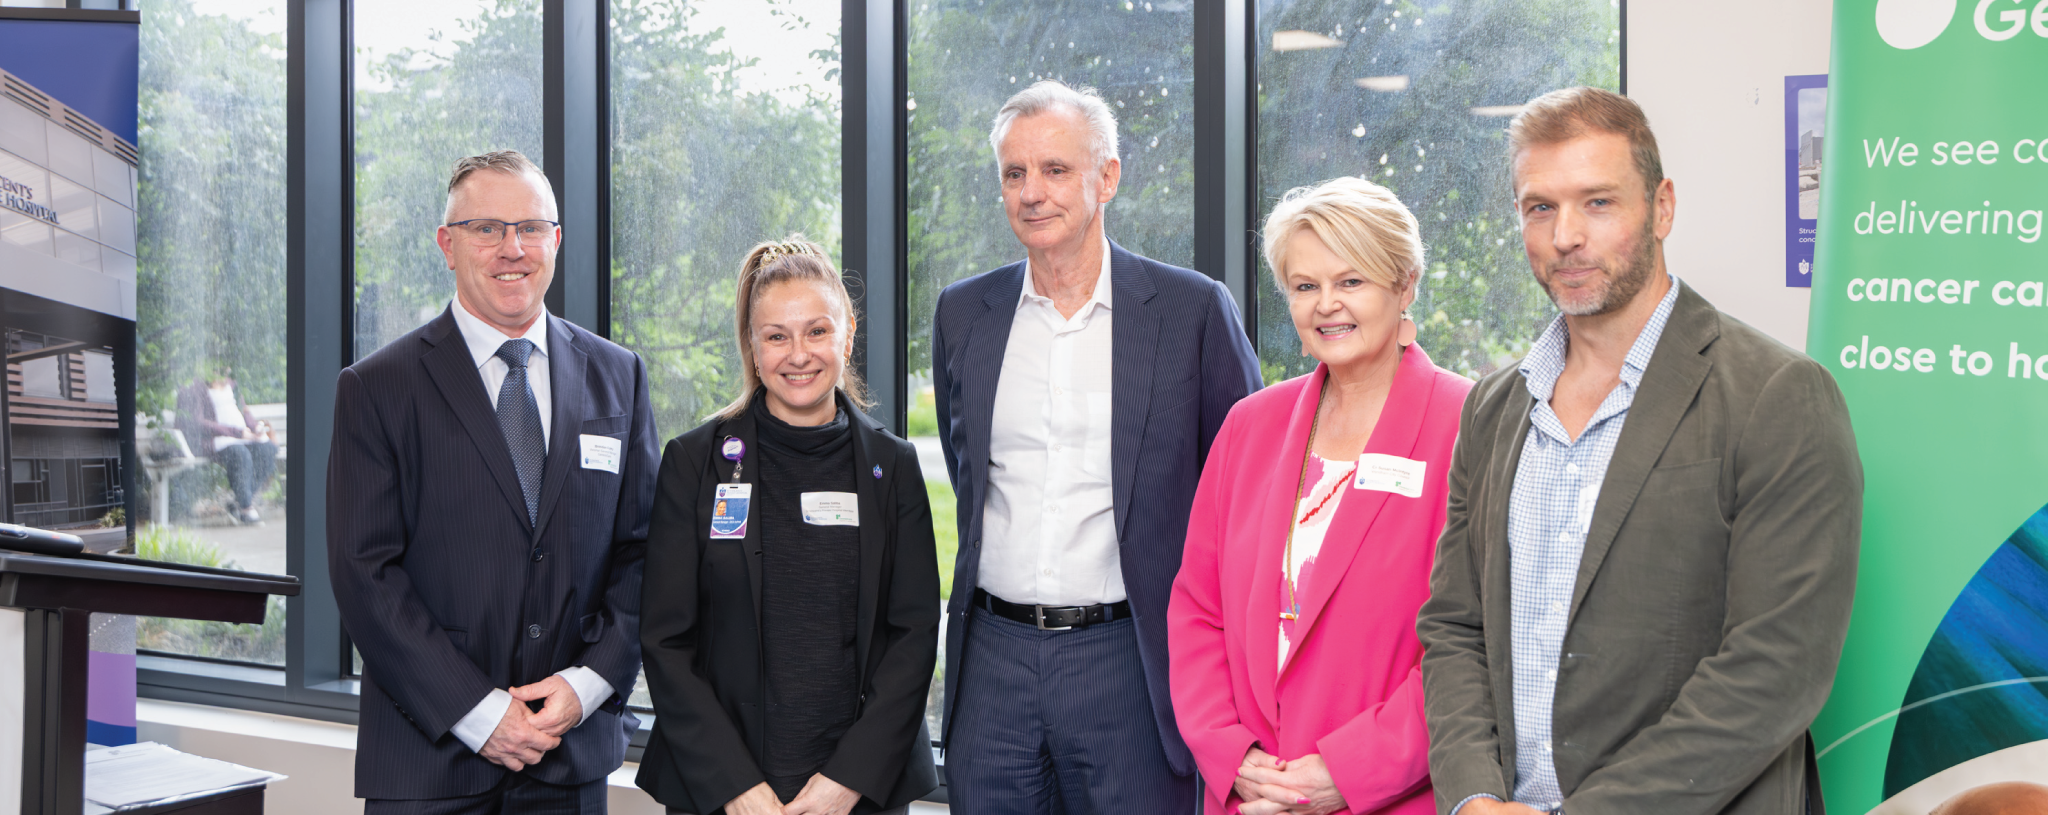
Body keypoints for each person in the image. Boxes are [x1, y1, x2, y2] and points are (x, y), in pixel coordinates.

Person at [1417, 87, 1862, 814]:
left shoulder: (1778, 394)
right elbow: (1456, 626)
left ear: (1662, 208)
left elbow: (1776, 668)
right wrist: (1473, 797)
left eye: (1598, 202)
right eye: (1540, 207)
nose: (1565, 236)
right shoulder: (1493, 407)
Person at [931, 79, 1263, 814]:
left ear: (1106, 177)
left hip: (1132, 660)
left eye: (1055, 169)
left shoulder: (1191, 311)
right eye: (1014, 174)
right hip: (992, 665)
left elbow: (1247, 493)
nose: (1032, 193)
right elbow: (968, 473)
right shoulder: (963, 313)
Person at [329, 150, 657, 813]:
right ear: (447, 245)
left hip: (568, 758)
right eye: (487, 228)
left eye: (531, 227)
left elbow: (647, 551)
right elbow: (366, 574)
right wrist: (478, 713)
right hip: (429, 766)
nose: (513, 248)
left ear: (555, 240)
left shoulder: (618, 376)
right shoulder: (378, 387)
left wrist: (588, 684)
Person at [1170, 177, 1471, 815]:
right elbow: (1198, 609)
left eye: (1351, 281)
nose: (1327, 305)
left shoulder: (1470, 426)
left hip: (1392, 797)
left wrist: (1348, 773)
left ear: (1405, 284)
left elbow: (1475, 645)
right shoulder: (1250, 425)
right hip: (1253, 796)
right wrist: (1233, 756)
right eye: (1305, 287)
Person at [636, 237, 940, 815]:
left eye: (816, 331)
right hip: (724, 791)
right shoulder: (694, 463)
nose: (798, 354)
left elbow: (914, 635)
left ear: (847, 335)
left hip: (857, 791)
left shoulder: (893, 467)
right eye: (776, 336)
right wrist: (736, 787)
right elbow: (666, 641)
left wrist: (846, 781)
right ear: (753, 348)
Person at [175, 366, 277, 524]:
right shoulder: (195, 388)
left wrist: (255, 427)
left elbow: (243, 411)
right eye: (220, 368)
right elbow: (198, 423)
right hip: (212, 441)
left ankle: (240, 501)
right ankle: (246, 508)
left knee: (268, 449)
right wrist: (236, 432)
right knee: (240, 454)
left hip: (238, 437)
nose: (227, 371)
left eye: (227, 368)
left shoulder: (231, 385)